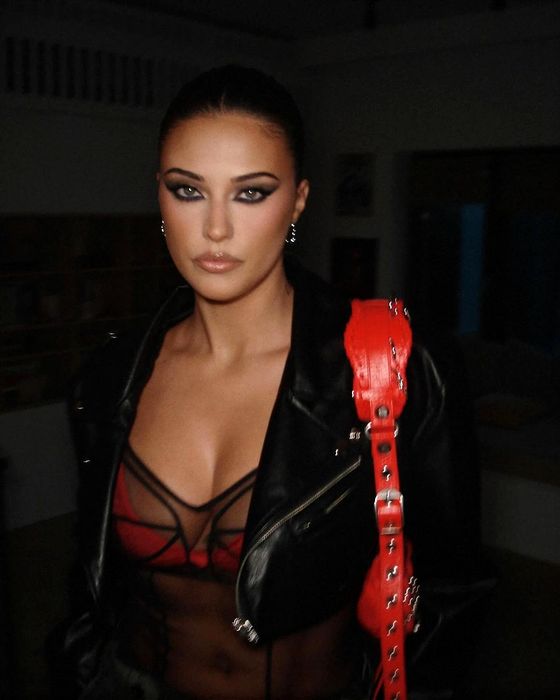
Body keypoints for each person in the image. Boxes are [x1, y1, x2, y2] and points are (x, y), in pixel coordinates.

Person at [53, 65, 491, 700]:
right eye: (188, 190)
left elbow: (452, 594)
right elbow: (89, 585)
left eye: (251, 193)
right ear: (160, 197)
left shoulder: (395, 367)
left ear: (299, 201)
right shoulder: (107, 379)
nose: (216, 228)